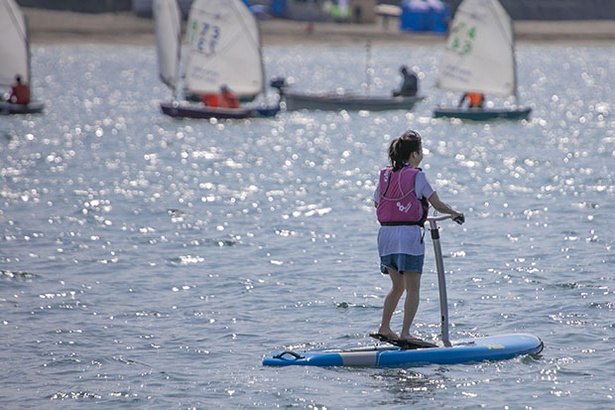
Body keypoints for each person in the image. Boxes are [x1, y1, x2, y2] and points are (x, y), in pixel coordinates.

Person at [373, 130, 464, 343]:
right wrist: (455, 214)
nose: (422, 156)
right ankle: (405, 333)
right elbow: (438, 205)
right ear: (414, 155)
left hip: (386, 236)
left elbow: (378, 202)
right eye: (420, 152)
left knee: (397, 286)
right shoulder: (417, 176)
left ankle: (384, 327)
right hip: (408, 236)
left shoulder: (385, 175)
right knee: (413, 288)